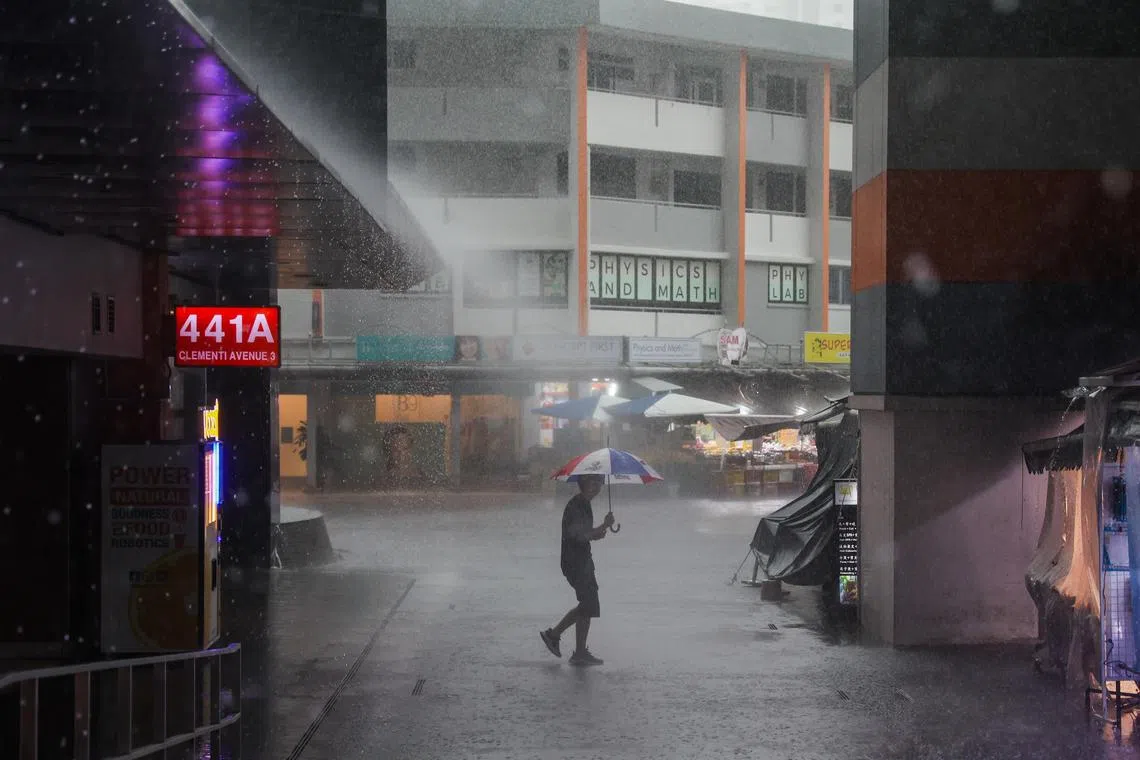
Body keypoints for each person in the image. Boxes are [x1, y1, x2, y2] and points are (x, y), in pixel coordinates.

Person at [539, 474, 614, 666]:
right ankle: (554, 634)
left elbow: (585, 535)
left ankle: (578, 650)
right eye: (593, 483)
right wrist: (602, 527)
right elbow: (577, 535)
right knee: (588, 603)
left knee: (588, 604)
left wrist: (599, 531)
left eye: (599, 483)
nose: (597, 487)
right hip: (575, 562)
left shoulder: (584, 504)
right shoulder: (576, 506)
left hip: (582, 560)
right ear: (583, 484)